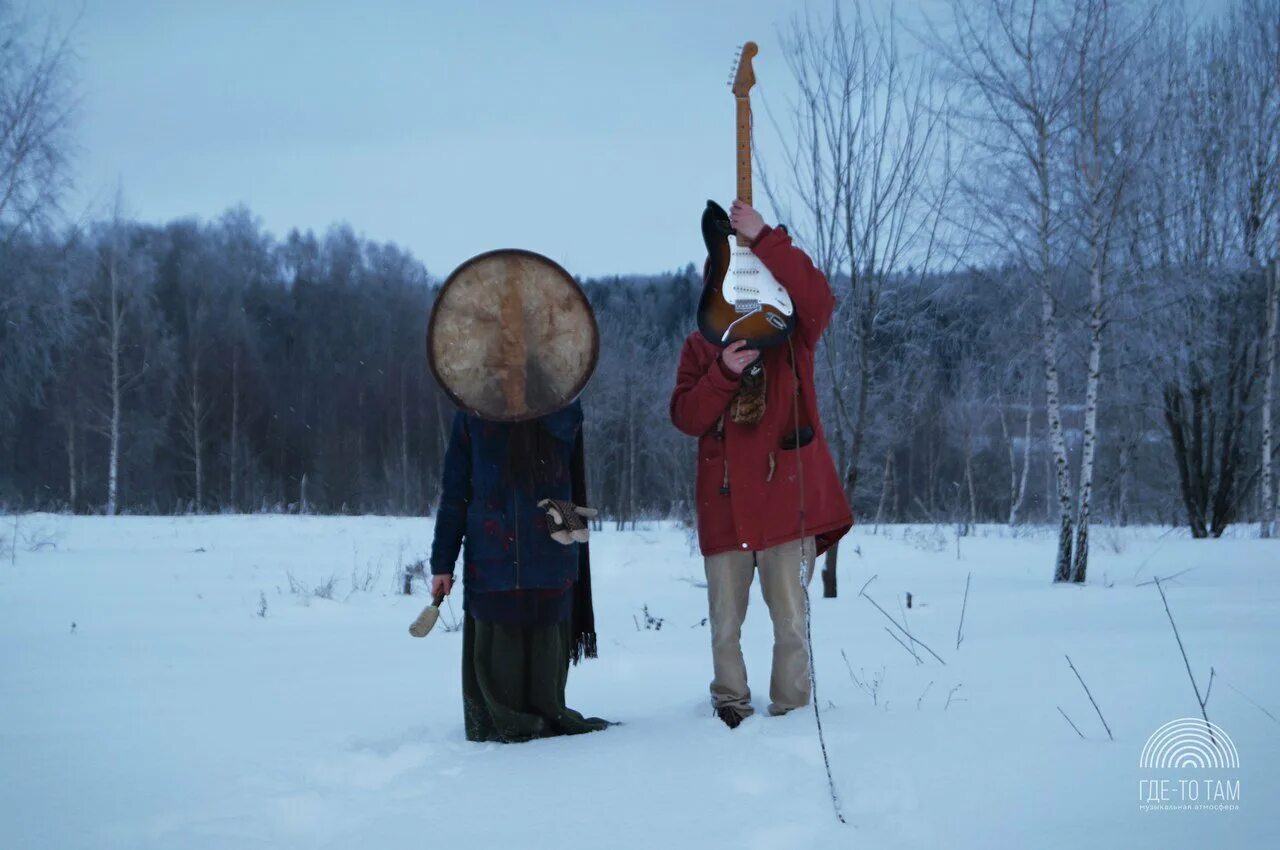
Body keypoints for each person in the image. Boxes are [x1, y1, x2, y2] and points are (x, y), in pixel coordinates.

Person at [670, 200, 853, 729]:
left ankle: (792, 710)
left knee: (791, 621)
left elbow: (819, 297)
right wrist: (723, 373)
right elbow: (685, 415)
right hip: (725, 507)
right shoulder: (700, 346)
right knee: (725, 624)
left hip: (785, 505)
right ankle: (730, 702)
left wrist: (766, 236)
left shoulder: (793, 338)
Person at [429, 399, 611, 742]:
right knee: (500, 660)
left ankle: (536, 720)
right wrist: (443, 562)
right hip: (495, 559)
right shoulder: (475, 408)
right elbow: (456, 492)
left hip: (546, 559)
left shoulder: (562, 407)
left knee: (542, 672)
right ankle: (511, 722)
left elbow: (572, 483)